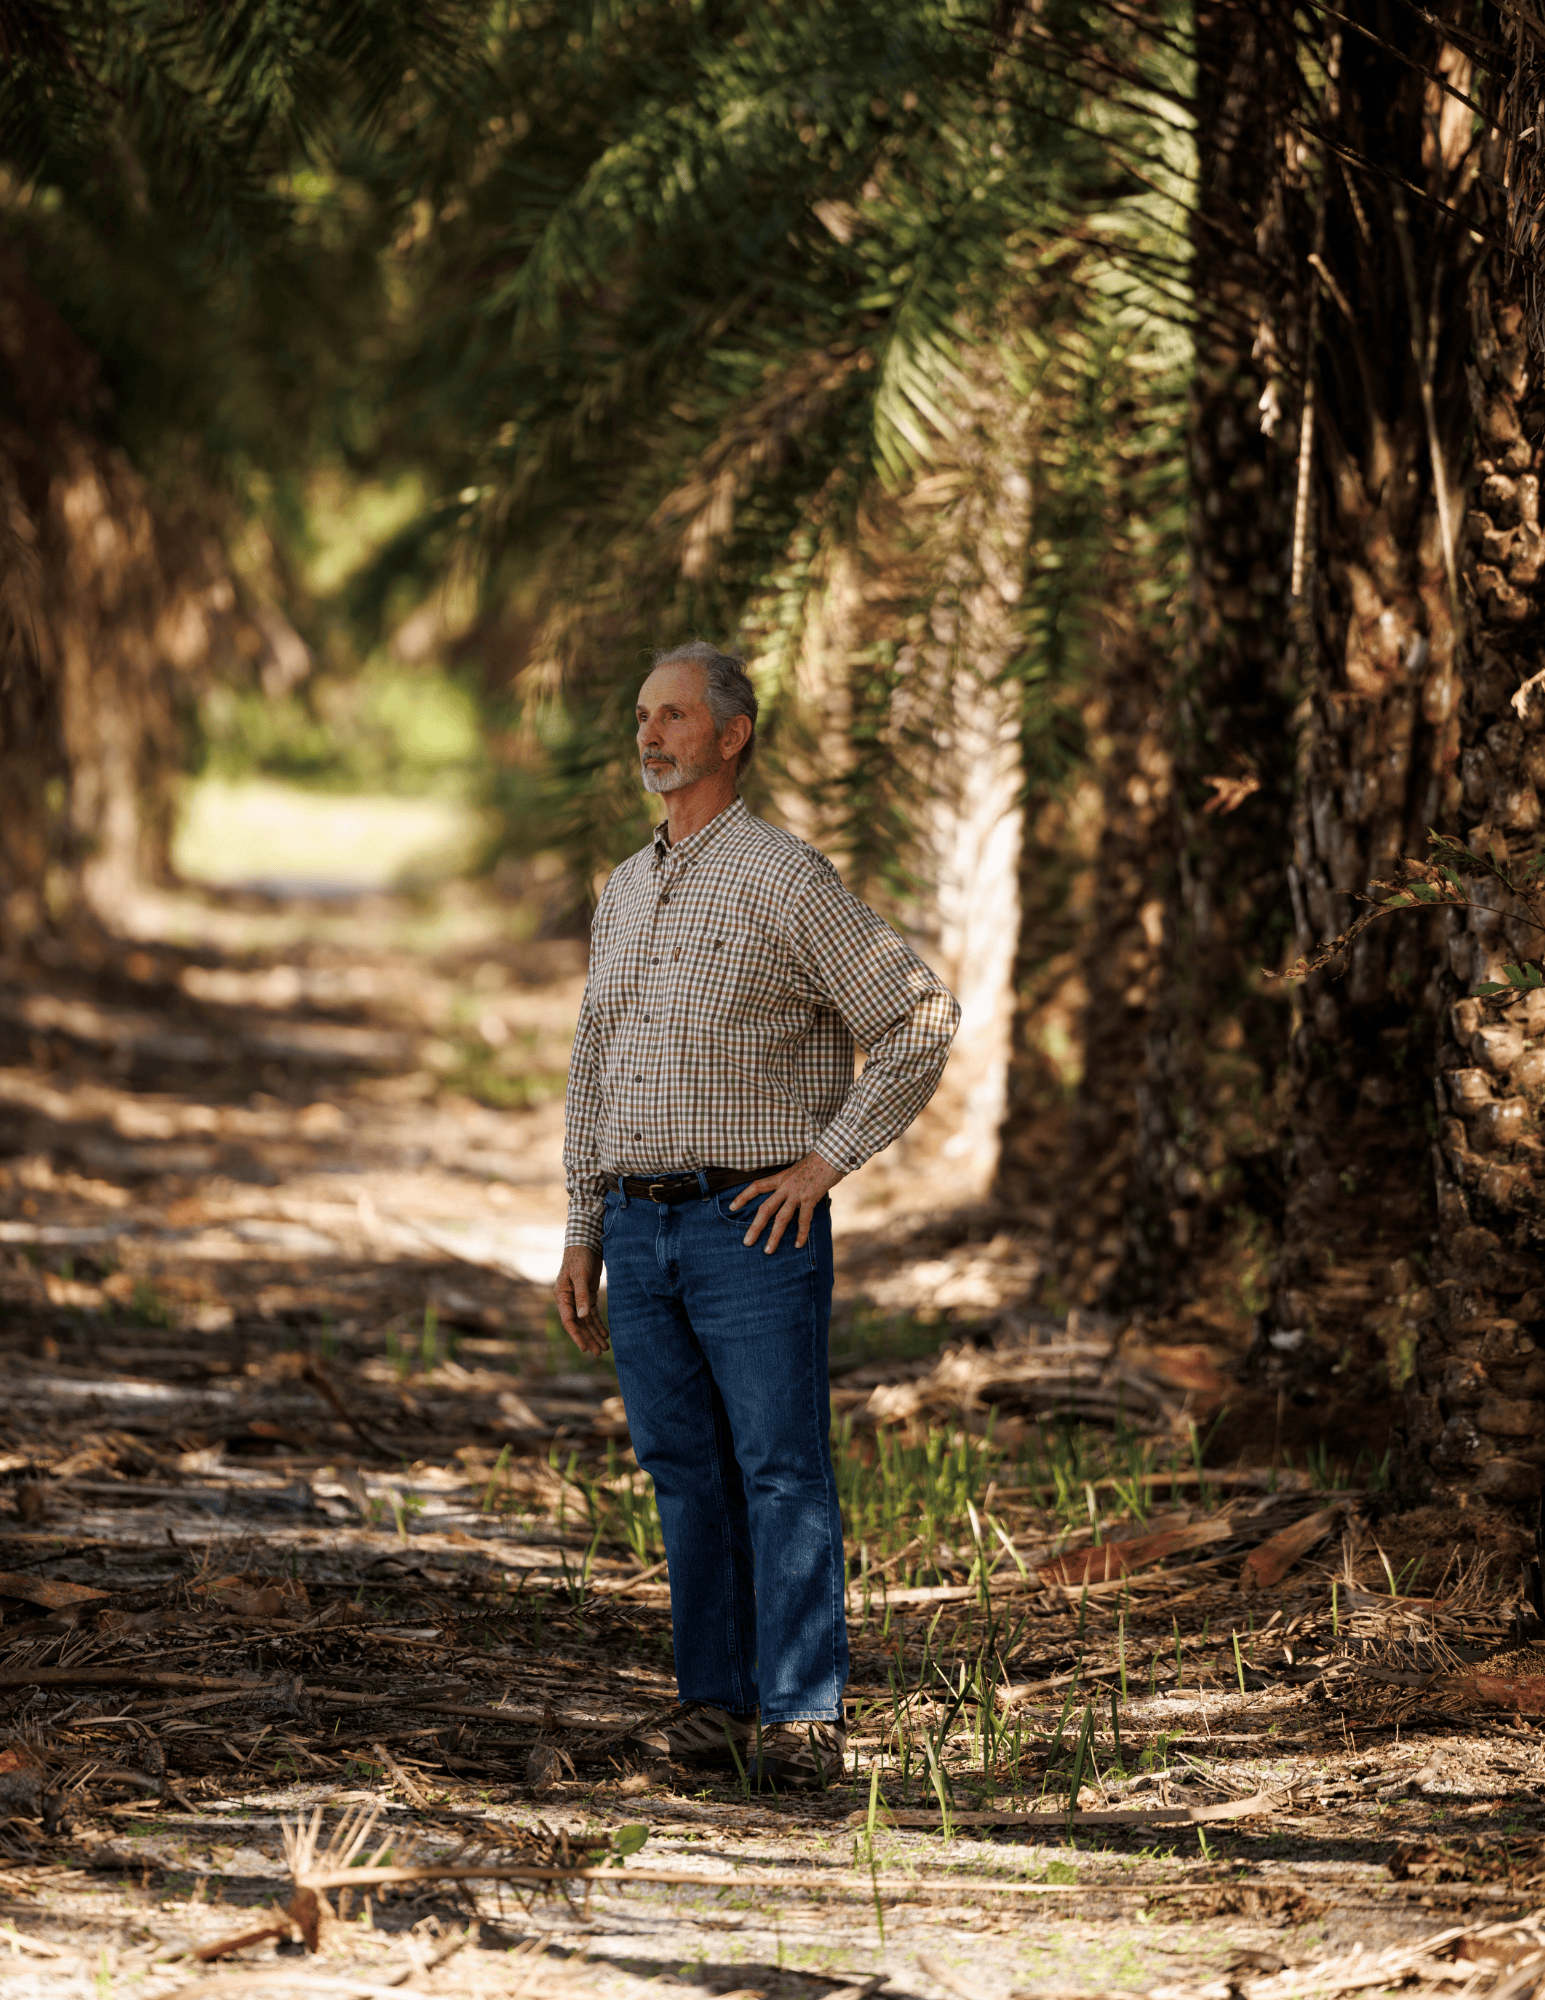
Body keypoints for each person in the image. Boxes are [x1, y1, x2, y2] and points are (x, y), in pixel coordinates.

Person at [554, 640, 959, 1789]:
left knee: (779, 1467)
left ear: (731, 735)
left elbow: (919, 1016)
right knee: (683, 1467)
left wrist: (826, 1162)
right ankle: (714, 1704)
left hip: (752, 1226)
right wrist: (583, 1226)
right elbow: (595, 1065)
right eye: (642, 714)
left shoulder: (787, 878)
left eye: (674, 715)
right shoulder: (624, 889)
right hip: (639, 1224)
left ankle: (801, 1715)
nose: (651, 734)